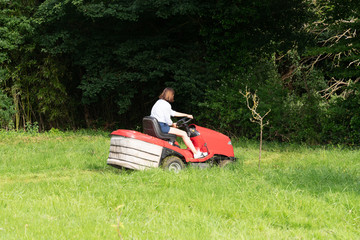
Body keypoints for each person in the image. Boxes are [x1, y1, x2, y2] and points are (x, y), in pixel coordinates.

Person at [150, 87, 208, 159]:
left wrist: (186, 115)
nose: (173, 96)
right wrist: (173, 124)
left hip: (157, 125)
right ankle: (196, 153)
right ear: (170, 95)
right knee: (184, 134)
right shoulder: (166, 105)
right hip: (162, 126)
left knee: (178, 133)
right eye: (173, 95)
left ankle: (174, 146)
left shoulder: (159, 102)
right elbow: (168, 120)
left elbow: (172, 113)